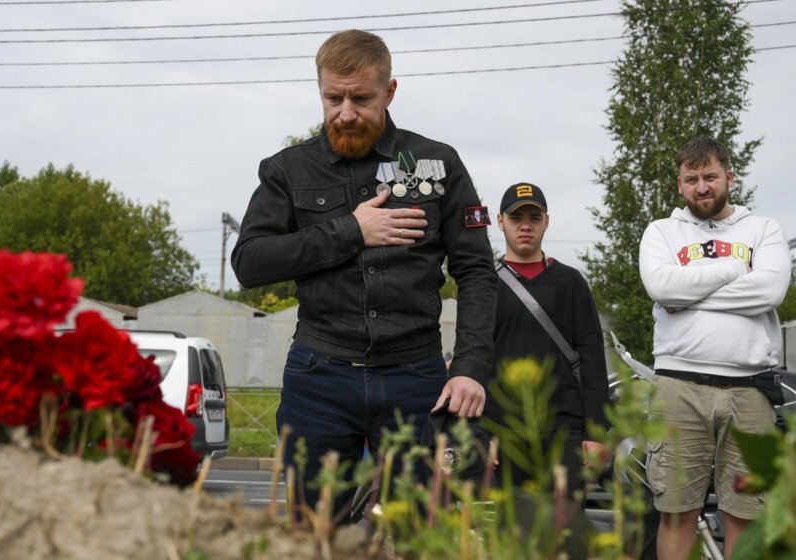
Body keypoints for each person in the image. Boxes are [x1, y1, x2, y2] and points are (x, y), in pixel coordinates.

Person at [231, 29, 497, 521]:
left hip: (416, 379)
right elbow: (249, 262)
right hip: (320, 377)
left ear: (390, 92)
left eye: (361, 98)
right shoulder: (287, 170)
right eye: (333, 98)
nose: (345, 112)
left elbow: (477, 271)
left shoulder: (440, 162)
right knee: (317, 532)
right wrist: (350, 229)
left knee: (419, 532)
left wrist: (470, 367)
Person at [638, 136, 790, 559]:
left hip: (749, 389)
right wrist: (734, 267)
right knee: (675, 511)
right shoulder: (661, 232)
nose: (701, 187)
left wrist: (683, 296)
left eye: (709, 176)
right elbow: (660, 286)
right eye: (691, 179)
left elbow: (770, 292)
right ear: (679, 184)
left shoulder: (764, 229)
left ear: (729, 176)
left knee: (746, 512)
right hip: (678, 387)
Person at [488, 182, 610, 496]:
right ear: (500, 221)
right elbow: (473, 358)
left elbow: (593, 358)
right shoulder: (485, 282)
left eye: (534, 217)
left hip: (563, 429)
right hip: (502, 430)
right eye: (516, 218)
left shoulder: (570, 282)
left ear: (546, 221)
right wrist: (477, 433)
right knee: (506, 535)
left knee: (565, 533)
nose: (525, 225)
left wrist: (596, 431)